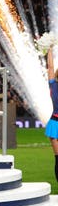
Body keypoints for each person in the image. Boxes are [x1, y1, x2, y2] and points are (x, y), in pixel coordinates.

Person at [45, 48, 58, 185]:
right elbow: (51, 67)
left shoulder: (53, 85)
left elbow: (50, 67)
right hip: (55, 123)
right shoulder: (53, 85)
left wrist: (49, 49)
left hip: (55, 123)